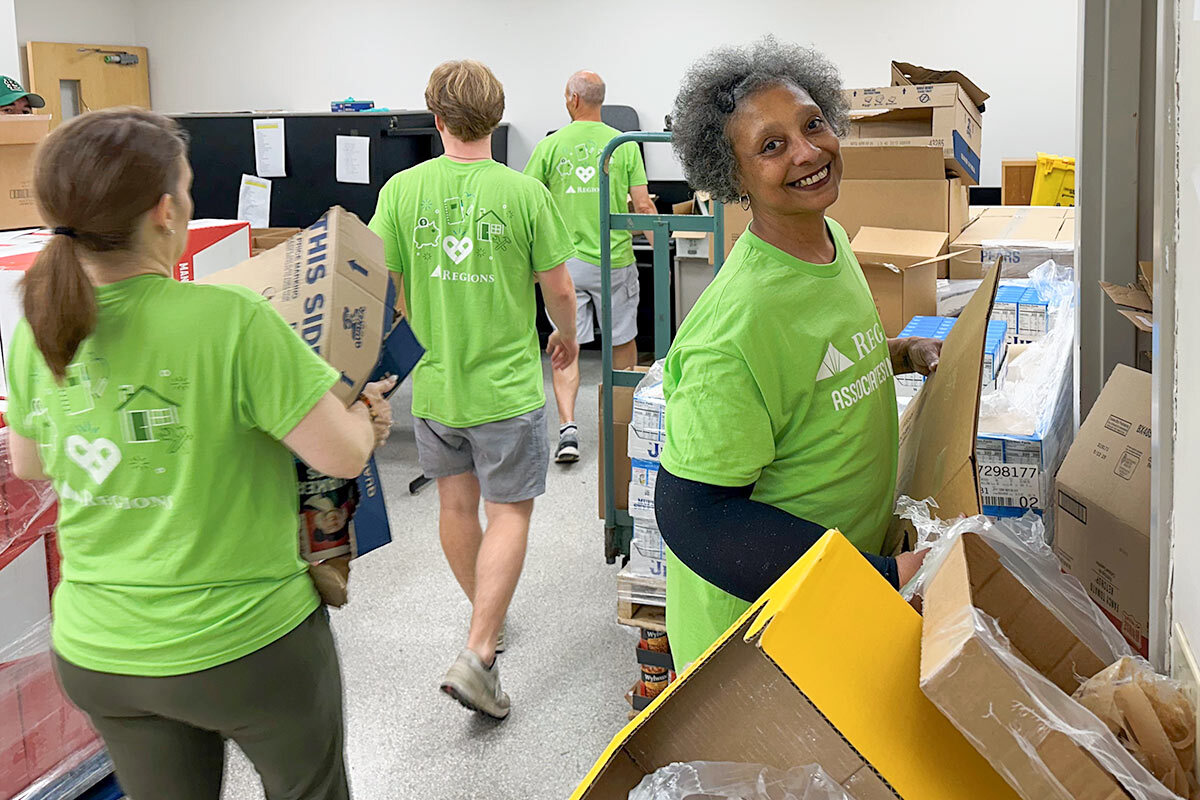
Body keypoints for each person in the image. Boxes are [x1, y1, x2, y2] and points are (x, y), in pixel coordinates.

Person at [6, 107, 395, 800]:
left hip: (101, 651)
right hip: (245, 645)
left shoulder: (38, 327)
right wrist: (366, 417)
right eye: (185, 188)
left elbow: (32, 464)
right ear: (164, 210)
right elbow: (337, 456)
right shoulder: (229, 320)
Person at [653, 38, 940, 668]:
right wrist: (882, 573)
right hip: (755, 637)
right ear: (734, 178)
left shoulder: (828, 238)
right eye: (772, 145)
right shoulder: (732, 333)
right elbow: (694, 516)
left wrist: (900, 352)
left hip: (829, 595)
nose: (809, 152)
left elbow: (819, 364)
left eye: (813, 124)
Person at [369, 60, 579, 720]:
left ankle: (483, 618)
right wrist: (566, 337)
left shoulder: (402, 191)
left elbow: (375, 279)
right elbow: (560, 288)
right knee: (509, 512)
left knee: (456, 510)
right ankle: (480, 649)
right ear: (497, 116)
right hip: (505, 390)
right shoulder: (523, 193)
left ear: (435, 117)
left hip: (434, 388)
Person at [524, 70, 656, 463]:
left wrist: (531, 260)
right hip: (615, 261)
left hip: (565, 267)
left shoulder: (551, 145)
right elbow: (644, 205)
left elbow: (528, 202)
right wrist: (663, 253)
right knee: (622, 343)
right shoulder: (624, 144)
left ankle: (568, 430)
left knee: (567, 345)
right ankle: (622, 425)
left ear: (573, 99)